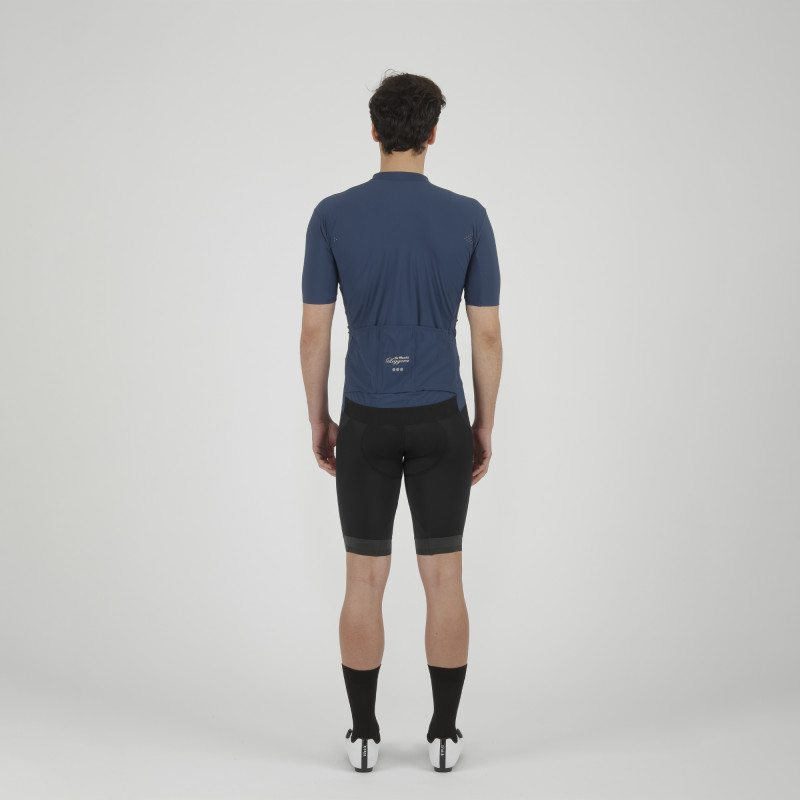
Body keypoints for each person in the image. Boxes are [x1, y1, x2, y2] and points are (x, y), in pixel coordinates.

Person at [299, 71, 502, 773]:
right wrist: (483, 424)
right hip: (442, 416)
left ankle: (363, 736)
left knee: (364, 580)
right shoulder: (469, 216)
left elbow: (314, 332)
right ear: (433, 133)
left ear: (375, 131)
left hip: (366, 420)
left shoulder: (331, 215)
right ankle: (444, 735)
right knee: (444, 579)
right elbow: (486, 335)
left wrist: (319, 417)